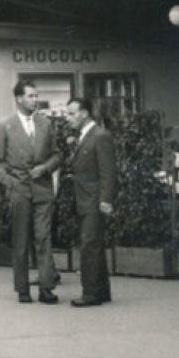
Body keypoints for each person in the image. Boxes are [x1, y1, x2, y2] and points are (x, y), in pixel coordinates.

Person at [0, 78, 61, 304]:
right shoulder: (5, 126)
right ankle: (22, 289)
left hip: (42, 189)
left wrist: (46, 168)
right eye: (31, 96)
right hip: (19, 189)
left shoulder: (46, 124)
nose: (35, 100)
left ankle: (46, 288)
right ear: (19, 99)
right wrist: (11, 183)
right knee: (20, 240)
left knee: (44, 238)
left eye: (36, 96)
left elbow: (58, 154)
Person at [64, 96, 117, 307]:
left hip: (93, 200)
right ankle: (101, 291)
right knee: (93, 244)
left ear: (84, 113)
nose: (68, 118)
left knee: (89, 245)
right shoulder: (85, 136)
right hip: (85, 198)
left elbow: (108, 172)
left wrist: (105, 200)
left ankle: (90, 294)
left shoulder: (100, 136)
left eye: (72, 113)